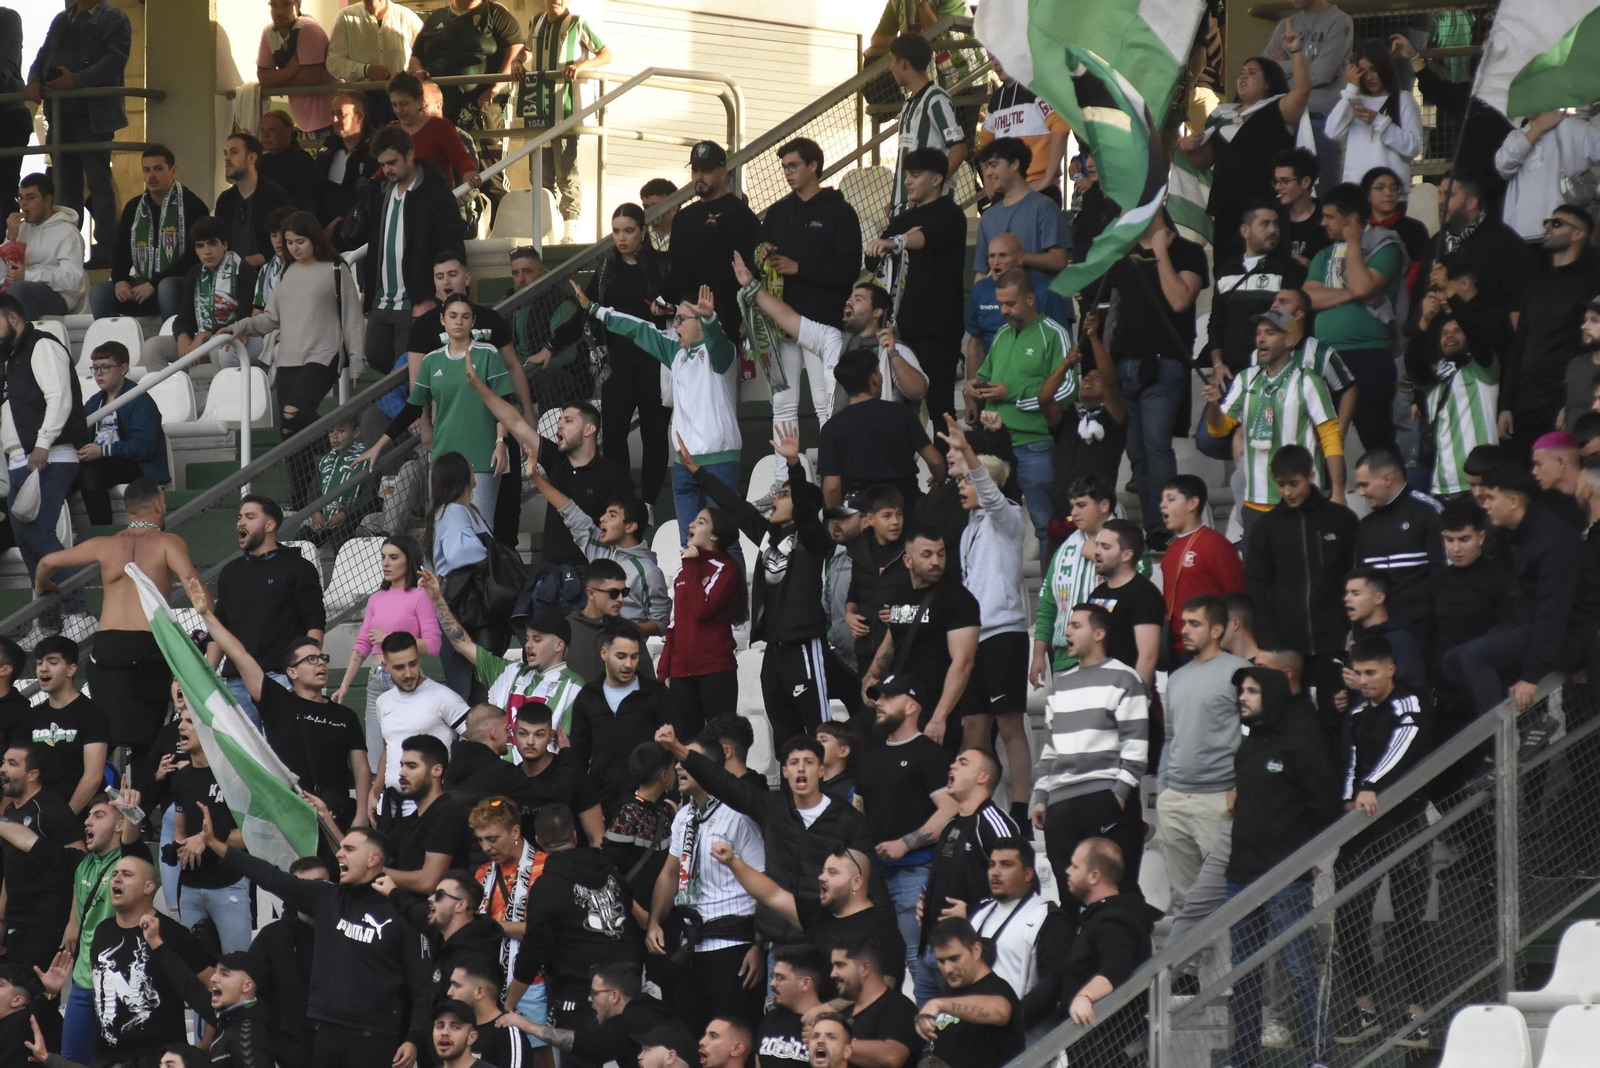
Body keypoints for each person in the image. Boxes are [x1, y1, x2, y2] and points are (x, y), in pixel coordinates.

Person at [198, 814, 435, 1068]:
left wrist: (414, 1038)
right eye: (341, 848)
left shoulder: (400, 911)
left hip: (375, 1039)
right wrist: (217, 845)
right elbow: (270, 875)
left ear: (373, 859)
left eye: (349, 849)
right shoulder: (325, 896)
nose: (339, 854)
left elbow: (421, 985)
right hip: (325, 1036)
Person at [661, 725, 878, 957]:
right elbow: (726, 784)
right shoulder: (772, 808)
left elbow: (872, 885)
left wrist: (883, 958)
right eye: (794, 763)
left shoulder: (848, 819)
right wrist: (679, 749)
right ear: (784, 771)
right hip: (780, 945)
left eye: (809, 762)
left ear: (821, 770)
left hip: (830, 942)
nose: (801, 769)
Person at [1222, 665, 1341, 1068]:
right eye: (1241, 690)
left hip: (1285, 877)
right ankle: (1243, 1058)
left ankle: (1320, 1056)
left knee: (1300, 968)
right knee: (1243, 973)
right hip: (1240, 877)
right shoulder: (1247, 748)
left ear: (1271, 696)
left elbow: (1325, 806)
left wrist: (1306, 856)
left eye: (1252, 691)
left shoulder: (1300, 745)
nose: (1243, 697)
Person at [688, 425, 837, 743]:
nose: (775, 498)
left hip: (804, 645)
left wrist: (794, 465)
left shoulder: (812, 538)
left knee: (820, 730)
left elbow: (806, 509)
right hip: (774, 648)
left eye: (783, 494)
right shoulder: (767, 535)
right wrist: (698, 472)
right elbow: (735, 507)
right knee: (782, 732)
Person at [189, 576, 370, 829]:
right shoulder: (277, 701)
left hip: (337, 817)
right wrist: (207, 615)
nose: (320, 663)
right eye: (310, 660)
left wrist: (361, 815)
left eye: (322, 658)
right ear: (291, 672)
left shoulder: (345, 716)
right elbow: (240, 655)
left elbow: (361, 769)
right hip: (291, 818)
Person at [577, 282, 741, 547]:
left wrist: (711, 319)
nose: (674, 325)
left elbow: (717, 340)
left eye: (681, 319)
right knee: (688, 545)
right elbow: (640, 329)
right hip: (683, 466)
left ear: (701, 322)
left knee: (725, 544)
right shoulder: (676, 353)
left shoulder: (722, 353)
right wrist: (597, 310)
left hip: (719, 462)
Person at [1330, 636, 1434, 1048]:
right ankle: (1364, 1010)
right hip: (1363, 828)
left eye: (1371, 672)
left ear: (1391, 669)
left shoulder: (1410, 701)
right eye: (1358, 673)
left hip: (1405, 823)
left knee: (1410, 919)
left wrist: (1371, 784)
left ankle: (1417, 1015)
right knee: (1350, 916)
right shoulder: (1357, 711)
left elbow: (1402, 746)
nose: (1364, 680)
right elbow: (1350, 759)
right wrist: (1349, 797)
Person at [223, 211, 365, 505]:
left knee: (293, 412)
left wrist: (356, 360)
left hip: (324, 353)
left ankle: (347, 445)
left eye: (300, 241)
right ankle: (303, 501)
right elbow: (271, 318)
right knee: (289, 431)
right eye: (289, 242)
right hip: (288, 358)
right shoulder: (287, 272)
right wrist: (241, 326)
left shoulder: (335, 268)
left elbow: (352, 316)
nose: (293, 247)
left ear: (314, 238)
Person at [1444, 464, 1600, 714]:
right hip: (1534, 626)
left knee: (1475, 656)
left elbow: (1554, 610)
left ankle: (1499, 734)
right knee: (1452, 661)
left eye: (1491, 498)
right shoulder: (1524, 533)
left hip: (1570, 636)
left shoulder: (1552, 539)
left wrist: (1531, 675)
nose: (1485, 505)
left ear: (1513, 501)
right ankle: (1523, 722)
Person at [1099, 214, 1210, 548]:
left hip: (1164, 364)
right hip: (1125, 365)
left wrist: (1160, 251)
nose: (1123, 215)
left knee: (1156, 445)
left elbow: (1180, 299)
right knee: (1137, 452)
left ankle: (1166, 526)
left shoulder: (1188, 251)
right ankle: (1154, 528)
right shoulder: (1123, 253)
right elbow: (1111, 311)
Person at [643, 735, 766, 1038]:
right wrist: (654, 921)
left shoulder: (739, 815)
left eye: (687, 761)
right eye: (677, 761)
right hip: (690, 945)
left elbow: (763, 884)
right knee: (692, 1037)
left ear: (710, 769)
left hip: (733, 946)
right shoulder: (684, 817)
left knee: (733, 1038)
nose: (678, 767)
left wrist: (759, 946)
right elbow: (670, 874)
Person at [43, 852, 215, 1066]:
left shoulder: (173, 933)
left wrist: (206, 1043)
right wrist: (51, 992)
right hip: (107, 1059)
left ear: (148, 887)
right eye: (115, 874)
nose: (117, 879)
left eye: (127, 874)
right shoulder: (102, 931)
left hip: (157, 1058)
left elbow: (212, 984)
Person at [1031, 601, 1147, 911]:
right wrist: (1042, 797)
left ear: (1099, 634)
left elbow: (1136, 746)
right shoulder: (1061, 684)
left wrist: (1117, 797)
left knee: (1116, 895)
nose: (1066, 633)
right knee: (1069, 900)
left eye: (1075, 626)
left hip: (1105, 798)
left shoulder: (1124, 677)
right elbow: (1051, 748)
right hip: (1061, 807)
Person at [732, 250, 929, 419]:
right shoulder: (832, 340)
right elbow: (789, 319)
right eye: (849, 298)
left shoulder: (894, 348)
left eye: (858, 299)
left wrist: (893, 354)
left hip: (883, 444)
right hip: (840, 443)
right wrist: (752, 285)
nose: (849, 302)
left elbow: (918, 391)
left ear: (877, 312)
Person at [1204, 308, 1346, 538]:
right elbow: (1219, 428)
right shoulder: (1245, 379)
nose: (1261, 338)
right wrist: (1213, 406)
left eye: (1270, 333)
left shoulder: (1307, 380)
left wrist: (1337, 491)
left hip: (1301, 502)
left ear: (1289, 340)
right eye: (1259, 332)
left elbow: (1330, 435)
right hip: (1255, 503)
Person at [756, 136, 864, 438]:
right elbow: (757, 255)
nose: (787, 172)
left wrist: (799, 268)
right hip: (783, 324)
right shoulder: (777, 212)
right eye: (784, 167)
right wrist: (762, 251)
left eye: (793, 166)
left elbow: (848, 269)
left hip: (823, 322)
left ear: (813, 166)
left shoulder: (840, 212)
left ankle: (831, 463)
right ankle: (784, 467)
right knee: (782, 403)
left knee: (825, 400)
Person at [1176, 41, 1311, 265]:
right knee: (1225, 271)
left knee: (1260, 268)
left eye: (1252, 72)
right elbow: (1204, 160)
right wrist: (1186, 149)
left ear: (1268, 83)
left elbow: (1303, 90)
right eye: (1242, 72)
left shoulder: (1279, 110)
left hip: (1263, 208)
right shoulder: (1222, 116)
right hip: (1226, 209)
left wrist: (1296, 51)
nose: (1243, 76)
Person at [1157, 596, 1252, 914]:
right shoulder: (1176, 678)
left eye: (1194, 624)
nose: (1183, 630)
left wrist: (1239, 789)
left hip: (1218, 801)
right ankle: (1190, 951)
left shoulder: (1239, 672)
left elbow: (1253, 735)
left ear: (1217, 630)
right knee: (1184, 901)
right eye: (1183, 623)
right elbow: (1170, 737)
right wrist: (1163, 789)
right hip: (1175, 799)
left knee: (1225, 897)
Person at [1244, 444, 1359, 706]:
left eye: (1293, 483)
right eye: (1280, 484)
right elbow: (1256, 587)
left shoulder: (1341, 519)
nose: (1287, 492)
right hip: (1287, 647)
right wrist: (1270, 641)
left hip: (1335, 641)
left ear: (1311, 476)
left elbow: (1356, 576)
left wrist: (1354, 628)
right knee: (1291, 714)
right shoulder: (1265, 528)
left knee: (1337, 711)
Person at [966, 270, 1073, 546]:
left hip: (1034, 445)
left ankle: (1051, 576)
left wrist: (1011, 393)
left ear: (1030, 298)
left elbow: (1067, 390)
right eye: (1000, 304)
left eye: (1010, 304)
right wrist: (974, 387)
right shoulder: (1002, 334)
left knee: (1046, 525)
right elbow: (986, 375)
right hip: (996, 446)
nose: (1004, 310)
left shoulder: (1054, 333)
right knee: (991, 525)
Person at [709, 841, 906, 991]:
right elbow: (771, 895)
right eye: (823, 871)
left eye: (832, 873)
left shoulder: (883, 928)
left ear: (856, 882)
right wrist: (732, 861)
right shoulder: (818, 914)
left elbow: (882, 993)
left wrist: (828, 1011)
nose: (821, 877)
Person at [866, 148, 969, 427]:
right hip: (901, 330)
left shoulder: (951, 214)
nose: (907, 182)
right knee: (898, 411)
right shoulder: (903, 219)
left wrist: (896, 242)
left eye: (915, 175)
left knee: (940, 409)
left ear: (937, 179)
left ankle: (950, 458)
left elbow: (926, 237)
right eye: (906, 175)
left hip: (939, 330)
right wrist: (890, 242)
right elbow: (872, 258)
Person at [204, 495, 326, 729]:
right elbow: (219, 627)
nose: (241, 522)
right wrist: (206, 674)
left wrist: (308, 668)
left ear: (270, 525)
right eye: (240, 516)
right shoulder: (230, 572)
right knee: (245, 753)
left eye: (250, 517)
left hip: (283, 679)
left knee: (284, 750)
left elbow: (314, 620)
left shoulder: (298, 567)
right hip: (237, 683)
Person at [1303, 182, 1408, 455]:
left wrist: (1352, 242)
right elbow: (1309, 297)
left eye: (1330, 217)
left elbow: (1362, 286)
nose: (1323, 223)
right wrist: (1352, 294)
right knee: (1321, 439)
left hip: (1368, 355)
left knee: (1376, 438)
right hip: (1325, 357)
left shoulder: (1385, 247)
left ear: (1351, 219)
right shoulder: (1324, 255)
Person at [26, 0, 132, 266]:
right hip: (60, 117)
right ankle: (69, 253)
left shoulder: (115, 19)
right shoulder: (62, 19)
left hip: (94, 117)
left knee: (99, 184)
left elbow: (114, 61)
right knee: (65, 188)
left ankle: (106, 251)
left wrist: (76, 80)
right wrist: (34, 80)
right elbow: (43, 54)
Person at [909, 747, 1018, 1003]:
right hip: (932, 951)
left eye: (963, 762)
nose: (952, 766)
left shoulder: (994, 823)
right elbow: (947, 875)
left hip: (968, 955)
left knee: (960, 1027)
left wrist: (972, 910)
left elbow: (1021, 889)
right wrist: (927, 902)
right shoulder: (951, 824)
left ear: (983, 776)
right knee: (927, 1027)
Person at [359, 125, 467, 375]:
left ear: (410, 155)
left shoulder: (435, 192)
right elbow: (375, 245)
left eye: (392, 162)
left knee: (407, 372)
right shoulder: (381, 192)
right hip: (382, 300)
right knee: (376, 357)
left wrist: (432, 296)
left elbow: (450, 245)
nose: (387, 169)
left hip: (416, 301)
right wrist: (369, 288)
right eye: (382, 164)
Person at [583, 206, 673, 508]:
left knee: (654, 433)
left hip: (654, 359)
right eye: (616, 231)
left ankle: (647, 504)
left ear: (643, 231)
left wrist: (667, 309)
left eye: (629, 230)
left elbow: (680, 302)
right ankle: (622, 501)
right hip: (617, 362)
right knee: (613, 433)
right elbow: (587, 308)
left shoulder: (662, 264)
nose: (621, 238)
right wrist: (550, 346)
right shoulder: (606, 268)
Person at [858, 528, 980, 746]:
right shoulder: (900, 595)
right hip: (896, 701)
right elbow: (890, 643)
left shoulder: (958, 599)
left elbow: (963, 663)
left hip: (932, 708)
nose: (936, 562)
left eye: (941, 554)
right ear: (908, 560)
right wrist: (871, 675)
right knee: (846, 740)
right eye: (927, 555)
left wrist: (939, 718)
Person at [330, 536, 441, 761]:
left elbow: (433, 645)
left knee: (406, 750)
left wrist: (390, 638)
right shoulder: (376, 598)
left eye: (393, 557)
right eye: (383, 557)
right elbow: (362, 644)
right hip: (375, 679)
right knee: (375, 753)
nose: (385, 563)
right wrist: (344, 685)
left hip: (404, 678)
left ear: (409, 560)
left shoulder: (420, 596)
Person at [1500, 204, 1600, 451]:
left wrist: (1572, 402)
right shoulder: (1536, 285)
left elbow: (1592, 349)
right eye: (1547, 221)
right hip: (1525, 403)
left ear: (1578, 234)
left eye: (1556, 223)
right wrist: (1506, 404)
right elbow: (1519, 346)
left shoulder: (1593, 283)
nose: (1547, 227)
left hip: (1563, 404)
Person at [1031, 476, 1149, 682]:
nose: (1074, 512)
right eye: (1072, 506)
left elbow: (1137, 584)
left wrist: (1096, 554)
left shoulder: (1130, 540)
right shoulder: (1065, 549)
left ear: (1104, 505)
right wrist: (1038, 655)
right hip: (1066, 660)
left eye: (1082, 505)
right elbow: (1047, 605)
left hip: (1113, 656)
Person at [515, 0, 611, 243]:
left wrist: (582, 65)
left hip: (565, 111)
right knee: (540, 175)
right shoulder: (536, 22)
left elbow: (605, 54)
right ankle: (546, 232)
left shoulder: (578, 23)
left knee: (566, 172)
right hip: (537, 110)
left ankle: (570, 233)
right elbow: (526, 49)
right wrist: (517, 61)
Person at [1405, 280, 1503, 497]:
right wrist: (1424, 322)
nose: (1450, 335)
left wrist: (1452, 296)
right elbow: (1412, 362)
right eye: (1445, 333)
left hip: (1480, 484)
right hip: (1441, 486)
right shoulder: (1433, 377)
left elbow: (1476, 333)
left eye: (1457, 331)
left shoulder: (1483, 370)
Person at [1406, 173, 1534, 340]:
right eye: (1440, 193)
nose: (1440, 201)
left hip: (1489, 345)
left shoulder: (1503, 242)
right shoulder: (1435, 243)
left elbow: (1518, 305)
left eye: (1449, 195)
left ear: (1471, 202)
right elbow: (1418, 297)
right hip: (1438, 347)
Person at [656, 504, 746, 737]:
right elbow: (673, 625)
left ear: (714, 535)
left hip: (715, 670)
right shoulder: (682, 572)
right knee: (687, 746)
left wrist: (691, 565)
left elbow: (701, 610)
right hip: (680, 675)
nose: (692, 524)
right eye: (694, 520)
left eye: (701, 522)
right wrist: (664, 670)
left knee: (722, 742)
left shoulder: (726, 568)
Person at [816, 351, 941, 514]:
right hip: (905, 504)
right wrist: (939, 481)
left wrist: (838, 516)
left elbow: (832, 487)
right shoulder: (902, 414)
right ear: (874, 378)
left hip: (859, 510)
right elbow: (935, 461)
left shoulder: (832, 428)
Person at [0, 743, 82, 986]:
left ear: (32, 774)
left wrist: (73, 923)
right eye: (3, 761)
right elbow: (10, 868)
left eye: (12, 763)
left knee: (36, 992)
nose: (2, 768)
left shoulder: (52, 809)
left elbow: (82, 867)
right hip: (17, 918)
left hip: (46, 920)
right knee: (15, 992)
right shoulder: (10, 812)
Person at [968, 838, 1072, 1027]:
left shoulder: (1049, 917)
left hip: (1023, 1031)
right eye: (992, 864)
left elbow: (1054, 981)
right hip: (974, 1029)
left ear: (1028, 874)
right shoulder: (979, 914)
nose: (995, 872)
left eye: (1006, 865)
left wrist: (1013, 1017)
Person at [368, 631, 470, 819]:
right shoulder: (383, 701)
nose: (408, 673)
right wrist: (375, 791)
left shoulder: (444, 697)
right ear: (385, 666)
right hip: (390, 810)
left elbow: (478, 740)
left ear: (420, 659)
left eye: (413, 664)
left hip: (430, 810)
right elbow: (389, 748)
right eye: (399, 667)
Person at [136, 215, 255, 372]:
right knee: (152, 347)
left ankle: (222, 389)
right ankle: (168, 389)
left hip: (231, 339)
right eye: (200, 246)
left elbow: (244, 316)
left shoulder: (243, 270)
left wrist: (205, 335)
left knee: (218, 346)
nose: (207, 251)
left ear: (225, 245)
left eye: (212, 244)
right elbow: (184, 316)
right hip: (200, 339)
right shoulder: (195, 272)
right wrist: (182, 336)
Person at [669, 141, 761, 342]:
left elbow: (755, 271)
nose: (699, 176)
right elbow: (675, 269)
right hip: (687, 320)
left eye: (706, 170)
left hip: (728, 321)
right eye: (695, 170)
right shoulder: (682, 217)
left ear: (723, 172)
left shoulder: (740, 215)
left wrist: (749, 315)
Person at [1351, 448, 1443, 645]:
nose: (1361, 493)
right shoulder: (1366, 526)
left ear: (1387, 479)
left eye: (1364, 485)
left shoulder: (1428, 511)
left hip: (1424, 631)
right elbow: (1360, 583)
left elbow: (1444, 573)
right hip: (1377, 635)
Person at [246, 856, 329, 1068]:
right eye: (302, 886)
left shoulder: (347, 935)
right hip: (287, 1052)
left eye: (319, 885)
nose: (310, 893)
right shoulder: (271, 938)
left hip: (340, 1051)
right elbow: (254, 997)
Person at [1206, 202, 1307, 377]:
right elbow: (1216, 322)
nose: (1273, 230)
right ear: (1245, 230)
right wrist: (1218, 364)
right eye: (1265, 224)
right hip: (1231, 375)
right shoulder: (1226, 271)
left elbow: (1295, 321)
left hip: (1273, 373)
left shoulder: (1290, 269)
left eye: (1276, 223)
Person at [1263, 0, 1353, 191]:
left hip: (1320, 122)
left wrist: (1283, 66)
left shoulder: (1339, 21)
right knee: (1279, 196)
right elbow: (1266, 74)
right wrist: (1305, 65)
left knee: (1324, 198)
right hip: (1283, 121)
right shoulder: (1286, 25)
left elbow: (1321, 74)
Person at [76, 344, 169, 527]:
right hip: (100, 461)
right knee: (61, 472)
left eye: (105, 367)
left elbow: (144, 446)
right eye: (95, 368)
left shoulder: (140, 399)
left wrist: (103, 451)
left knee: (90, 474)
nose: (98, 373)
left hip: (134, 465)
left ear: (124, 369)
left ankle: (102, 532)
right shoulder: (94, 402)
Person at [914, 918, 1024, 1068]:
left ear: (976, 950)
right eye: (941, 961)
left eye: (954, 958)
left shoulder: (997, 988)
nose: (947, 969)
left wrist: (938, 1004)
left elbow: (1000, 1011)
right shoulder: (949, 991)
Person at [15, 637, 107, 816]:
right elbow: (17, 768)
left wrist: (65, 818)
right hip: (37, 812)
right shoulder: (32, 716)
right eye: (39, 663)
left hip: (79, 814)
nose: (43, 668)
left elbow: (93, 777)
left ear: (71, 669)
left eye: (53, 662)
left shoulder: (92, 714)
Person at [1158, 476, 1245, 655]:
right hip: (1177, 647)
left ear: (1192, 504)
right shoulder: (1172, 549)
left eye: (1171, 499)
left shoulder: (1216, 544)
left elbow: (1236, 595)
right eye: (1163, 499)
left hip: (1210, 647)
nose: (1162, 505)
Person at [380, 735, 475, 894]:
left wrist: (378, 872)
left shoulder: (447, 813)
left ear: (437, 770)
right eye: (402, 765)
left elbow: (429, 882)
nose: (402, 773)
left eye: (412, 766)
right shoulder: (410, 821)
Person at [886, 34, 966, 217]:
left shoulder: (936, 100)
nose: (890, 68)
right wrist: (896, 198)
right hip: (903, 209)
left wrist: (930, 187)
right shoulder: (909, 103)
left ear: (903, 63)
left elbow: (959, 149)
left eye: (892, 61)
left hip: (928, 210)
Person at [966, 233, 1072, 370]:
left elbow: (1063, 343)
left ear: (1020, 258)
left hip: (1036, 373)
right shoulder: (980, 290)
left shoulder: (1044, 290)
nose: (996, 262)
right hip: (994, 373)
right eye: (992, 256)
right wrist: (973, 381)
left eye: (1002, 255)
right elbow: (976, 344)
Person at [1326, 39, 1422, 187]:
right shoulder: (1354, 100)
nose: (1369, 77)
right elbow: (1332, 132)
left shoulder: (1404, 99)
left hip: (1390, 192)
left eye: (1374, 70)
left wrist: (1378, 121)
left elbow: (1413, 148)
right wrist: (1351, 88)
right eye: (1363, 71)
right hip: (1357, 190)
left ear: (1385, 68)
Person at [972, 138, 1069, 280]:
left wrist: (1019, 257)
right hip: (998, 293)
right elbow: (981, 272)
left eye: (993, 165)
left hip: (1038, 293)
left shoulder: (1044, 207)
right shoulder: (988, 217)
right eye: (987, 167)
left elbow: (1059, 260)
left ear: (1014, 165)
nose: (987, 173)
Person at [1497, 109, 1600, 242]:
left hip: (1565, 234)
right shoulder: (1516, 135)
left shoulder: (1570, 125)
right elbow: (1503, 166)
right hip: (1521, 235)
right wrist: (1538, 128)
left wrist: (1596, 192)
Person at [1087, 520, 1165, 691]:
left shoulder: (1144, 594)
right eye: (1098, 545)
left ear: (1126, 555)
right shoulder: (1097, 593)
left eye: (1106, 547)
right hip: (1096, 692)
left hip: (1126, 694)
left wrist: (1135, 699)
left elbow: (1147, 657)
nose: (1097, 551)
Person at [601, 742, 676, 915]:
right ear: (664, 775)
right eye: (673, 767)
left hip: (660, 914)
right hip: (631, 916)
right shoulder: (628, 814)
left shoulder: (666, 811)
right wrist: (639, 914)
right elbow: (609, 870)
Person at [977, 59, 1069, 200]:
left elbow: (1061, 127)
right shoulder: (996, 99)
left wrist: (1048, 177)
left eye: (1001, 55)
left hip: (1037, 187)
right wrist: (988, 182)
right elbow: (985, 143)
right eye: (991, 57)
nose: (995, 62)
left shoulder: (1038, 88)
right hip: (1006, 190)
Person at [844, 484, 909, 675]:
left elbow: (925, 601)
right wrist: (849, 615)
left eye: (899, 514)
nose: (895, 522)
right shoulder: (859, 551)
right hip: (865, 650)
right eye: (887, 516)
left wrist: (900, 615)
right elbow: (854, 592)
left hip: (901, 652)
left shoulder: (910, 551)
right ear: (870, 519)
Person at [327, 0, 424, 126]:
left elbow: (425, 52)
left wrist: (417, 71)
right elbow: (333, 62)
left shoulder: (407, 17)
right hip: (363, 100)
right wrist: (366, 70)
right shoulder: (345, 17)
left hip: (402, 98)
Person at [6, 173, 85, 319]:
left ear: (48, 199)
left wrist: (27, 275)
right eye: (21, 198)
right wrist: (11, 239)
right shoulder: (20, 229)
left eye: (31, 198)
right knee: (15, 289)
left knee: (18, 289)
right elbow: (4, 273)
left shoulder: (68, 232)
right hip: (22, 287)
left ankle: (26, 333)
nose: (23, 204)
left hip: (58, 295)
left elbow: (72, 280)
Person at [1341, 569, 1429, 698]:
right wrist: (1348, 699)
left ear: (1379, 598)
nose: (1347, 599)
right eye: (1347, 593)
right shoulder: (1357, 637)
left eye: (1356, 593)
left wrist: (1364, 686)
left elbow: (1414, 693)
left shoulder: (1402, 640)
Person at [213, 133, 293, 270]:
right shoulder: (225, 200)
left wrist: (250, 261)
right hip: (230, 274)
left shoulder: (276, 196)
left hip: (270, 272)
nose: (227, 158)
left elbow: (289, 241)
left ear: (251, 157)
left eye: (234, 152)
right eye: (225, 153)